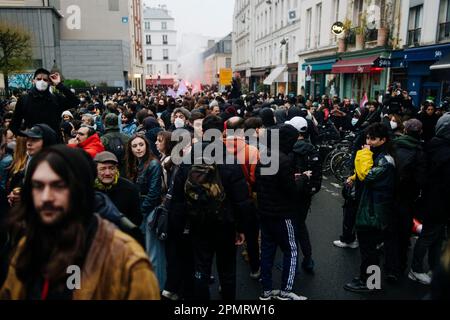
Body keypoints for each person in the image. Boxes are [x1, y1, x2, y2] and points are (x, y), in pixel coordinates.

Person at [0, 145, 160, 300]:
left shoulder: (127, 260)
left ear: (80, 190)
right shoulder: (28, 246)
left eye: (58, 186)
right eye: (38, 186)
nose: (46, 197)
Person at [256, 124, 307, 301]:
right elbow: (291, 190)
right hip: (283, 214)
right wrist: (303, 178)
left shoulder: (263, 157)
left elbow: (261, 183)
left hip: (265, 212)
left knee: (267, 251)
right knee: (291, 250)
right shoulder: (284, 160)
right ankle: (286, 290)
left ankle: (266, 291)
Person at [344, 123, 395, 293]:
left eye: (373, 138)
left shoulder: (385, 160)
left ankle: (370, 284)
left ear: (383, 139)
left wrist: (363, 153)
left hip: (374, 212)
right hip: (368, 208)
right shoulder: (377, 155)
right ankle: (366, 279)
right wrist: (353, 177)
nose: (369, 141)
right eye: (367, 137)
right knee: (367, 248)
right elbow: (363, 173)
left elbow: (366, 175)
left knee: (370, 249)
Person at [384, 119, 427, 283]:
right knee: (403, 234)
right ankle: (400, 266)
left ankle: (390, 267)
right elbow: (421, 180)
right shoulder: (420, 151)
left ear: (405, 130)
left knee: (390, 232)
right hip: (407, 199)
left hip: (390, 195)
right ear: (420, 132)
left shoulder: (393, 145)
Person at [409, 112, 450, 285]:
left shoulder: (433, 144)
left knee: (437, 236)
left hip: (434, 199)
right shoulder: (444, 150)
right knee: (429, 235)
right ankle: (416, 269)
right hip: (438, 200)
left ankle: (434, 268)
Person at [124, 133, 164, 288]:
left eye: (141, 145)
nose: (138, 148)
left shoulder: (153, 164)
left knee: (153, 252)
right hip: (142, 209)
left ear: (147, 146)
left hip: (150, 210)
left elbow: (154, 192)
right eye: (134, 146)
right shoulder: (137, 163)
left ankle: (156, 287)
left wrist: (140, 212)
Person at [288, 117, 322, 274]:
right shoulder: (313, 148)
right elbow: (318, 174)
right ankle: (308, 259)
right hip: (307, 193)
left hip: (292, 193)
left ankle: (291, 262)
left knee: (291, 228)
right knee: (301, 225)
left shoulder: (289, 148)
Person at [9, 69, 79, 139]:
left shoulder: (56, 98)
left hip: (53, 141)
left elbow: (75, 101)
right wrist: (24, 136)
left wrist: (59, 84)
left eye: (45, 80)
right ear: (33, 81)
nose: (42, 81)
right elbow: (15, 123)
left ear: (49, 82)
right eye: (39, 79)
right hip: (33, 139)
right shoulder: (24, 99)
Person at [93, 151, 141, 227]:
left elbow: (136, 219)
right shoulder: (89, 189)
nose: (107, 173)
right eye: (103, 169)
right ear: (95, 170)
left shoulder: (129, 189)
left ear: (116, 169)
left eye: (111, 168)